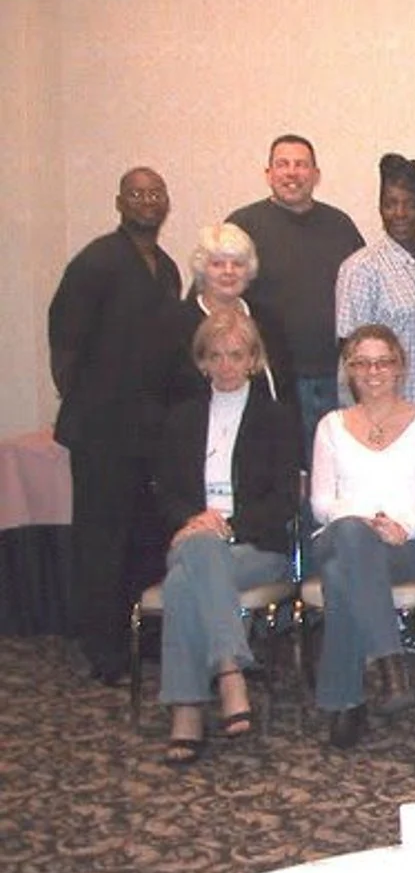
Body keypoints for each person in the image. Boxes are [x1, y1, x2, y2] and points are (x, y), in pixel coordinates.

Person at [48, 166, 183, 684]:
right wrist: (88, 406)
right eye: (138, 194)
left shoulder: (166, 268)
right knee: (102, 539)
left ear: (166, 202)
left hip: (151, 432)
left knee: (146, 537)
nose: (148, 202)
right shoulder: (96, 262)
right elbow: (65, 345)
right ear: (120, 201)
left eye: (156, 194)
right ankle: (102, 648)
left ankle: (141, 638)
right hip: (103, 431)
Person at [152, 310, 298, 766]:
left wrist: (228, 527)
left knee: (181, 584)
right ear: (202, 362)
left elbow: (284, 501)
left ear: (254, 359)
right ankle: (230, 665)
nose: (227, 365)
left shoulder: (275, 418)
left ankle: (188, 709)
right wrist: (196, 520)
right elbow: (165, 492)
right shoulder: (181, 419)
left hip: (256, 547)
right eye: (216, 356)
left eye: (237, 355)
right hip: (197, 539)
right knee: (200, 548)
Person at [308, 325, 415, 748]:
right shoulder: (330, 426)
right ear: (349, 370)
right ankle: (391, 662)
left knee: (341, 576)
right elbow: (321, 503)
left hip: (408, 545)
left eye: (384, 361)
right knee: (353, 538)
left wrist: (403, 527)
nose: (374, 371)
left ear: (400, 367)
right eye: (362, 363)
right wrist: (369, 523)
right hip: (340, 533)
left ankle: (347, 703)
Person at [229, 134, 365, 456]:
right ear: (268, 174)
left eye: (301, 165)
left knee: (336, 463)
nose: (292, 173)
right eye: (283, 164)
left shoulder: (339, 225)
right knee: (286, 465)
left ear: (315, 175)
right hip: (273, 377)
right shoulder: (243, 226)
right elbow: (216, 297)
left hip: (337, 376)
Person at [335, 153, 415, 412]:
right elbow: (351, 358)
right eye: (390, 204)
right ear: (381, 210)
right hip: (387, 418)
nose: (400, 213)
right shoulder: (362, 269)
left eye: (410, 204)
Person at [168, 222, 296, 416]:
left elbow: (286, 391)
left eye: (237, 264)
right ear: (202, 269)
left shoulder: (268, 320)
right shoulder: (177, 323)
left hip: (265, 435)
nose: (228, 271)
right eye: (217, 264)